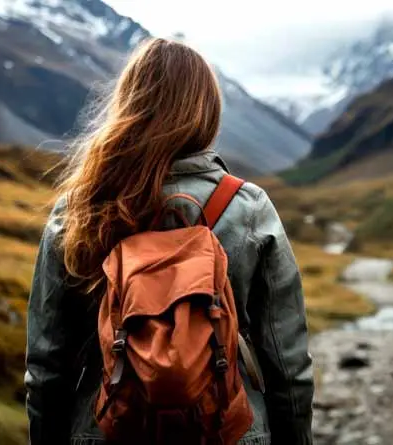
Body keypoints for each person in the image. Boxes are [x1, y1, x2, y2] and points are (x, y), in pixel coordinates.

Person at [24, 37, 314, 445]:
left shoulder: (81, 206)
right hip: (229, 433)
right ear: (206, 111)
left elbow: (46, 367)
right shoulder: (247, 207)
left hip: (105, 431)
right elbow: (288, 364)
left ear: (128, 104)